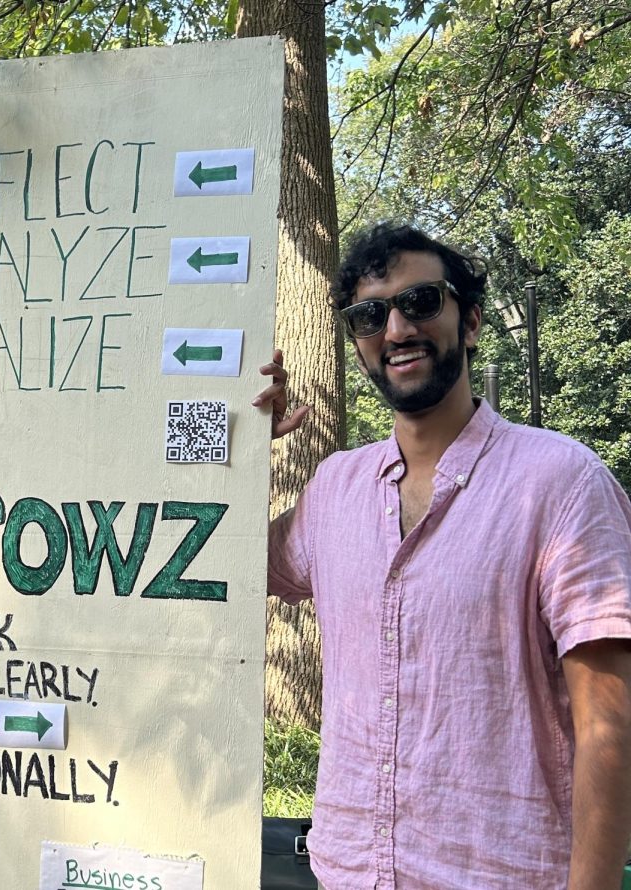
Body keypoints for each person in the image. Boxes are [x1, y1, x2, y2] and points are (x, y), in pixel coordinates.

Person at [254, 222, 631, 889]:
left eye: (421, 303)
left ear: (473, 320)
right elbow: (221, 563)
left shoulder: (561, 482)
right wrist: (243, 449)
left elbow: (612, 721)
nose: (396, 328)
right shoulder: (335, 489)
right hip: (348, 875)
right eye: (370, 315)